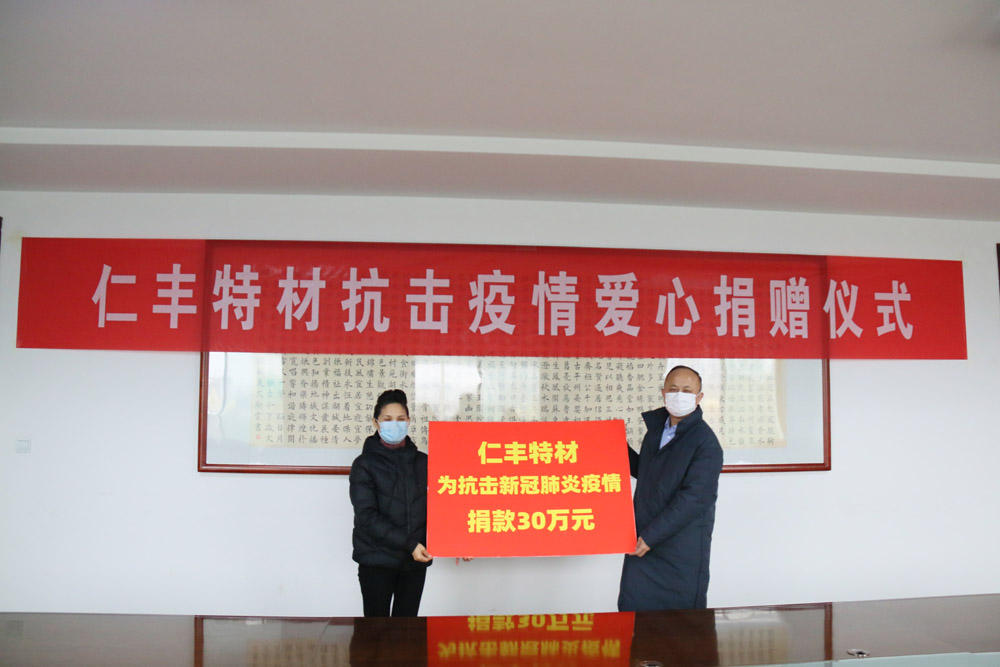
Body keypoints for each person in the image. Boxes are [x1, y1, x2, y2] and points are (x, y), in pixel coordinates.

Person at [618, 365, 724, 611]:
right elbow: (647, 472)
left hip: (678, 548)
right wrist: (614, 444)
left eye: (687, 391)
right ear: (663, 393)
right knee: (635, 618)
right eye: (673, 389)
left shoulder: (705, 443)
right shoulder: (656, 433)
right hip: (643, 541)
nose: (679, 395)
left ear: (699, 397)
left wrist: (651, 536)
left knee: (679, 624)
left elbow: (694, 499)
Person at [349, 389, 432, 617]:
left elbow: (440, 507)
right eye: (387, 419)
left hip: (414, 562)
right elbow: (367, 517)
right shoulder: (364, 465)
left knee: (407, 630)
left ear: (409, 421)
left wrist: (459, 542)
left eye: (400, 419)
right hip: (377, 561)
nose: (394, 424)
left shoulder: (424, 463)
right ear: (376, 423)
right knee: (376, 631)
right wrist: (410, 544)